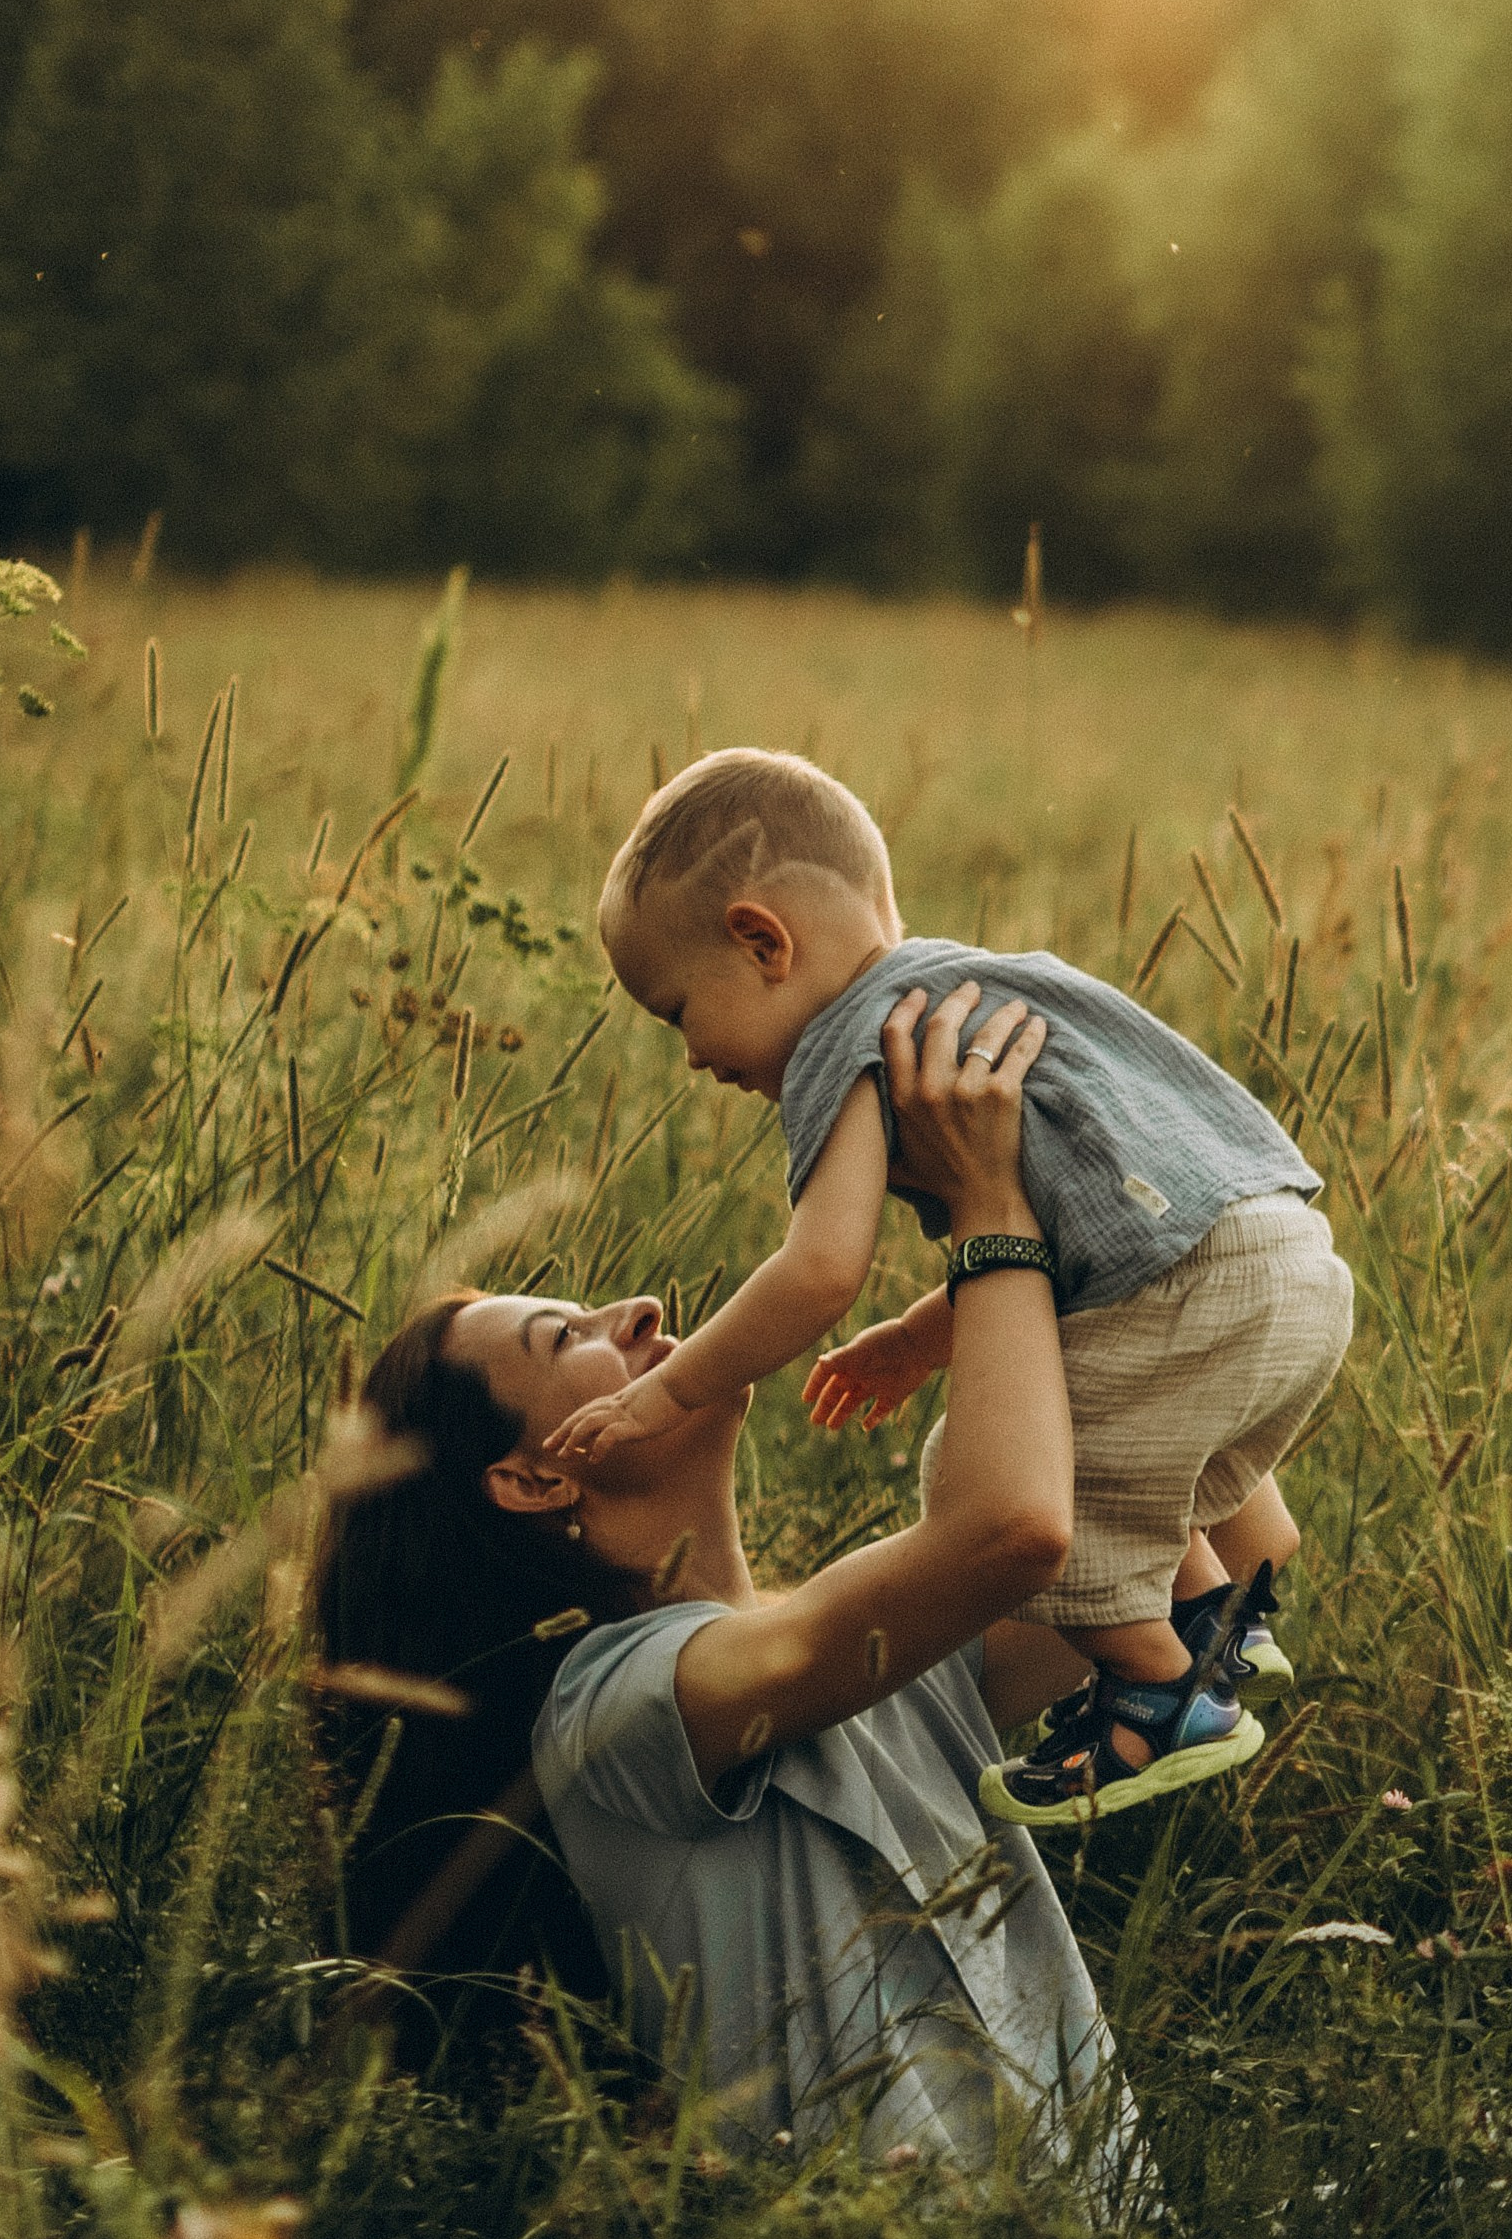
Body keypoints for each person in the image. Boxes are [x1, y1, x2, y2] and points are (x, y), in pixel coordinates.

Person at [312, 983, 1140, 2165]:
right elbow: (1015, 1528)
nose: (641, 1307)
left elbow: (1220, 1543)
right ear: (537, 1479)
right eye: (569, 1337)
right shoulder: (614, 1707)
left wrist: (1110, 1199)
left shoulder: (852, 1650)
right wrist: (989, 1205)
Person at [547, 748, 1353, 1828]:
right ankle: (1213, 1617)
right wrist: (927, 1337)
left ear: (761, 941)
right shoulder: (982, 981)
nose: (690, 1057)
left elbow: (818, 1268)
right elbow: (1094, 1216)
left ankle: (1163, 1695)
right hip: (1288, 1251)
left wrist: (672, 1391)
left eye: (678, 1009)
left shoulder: (846, 1045)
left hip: (1191, 1285)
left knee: (997, 1472)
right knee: (1091, 1427)